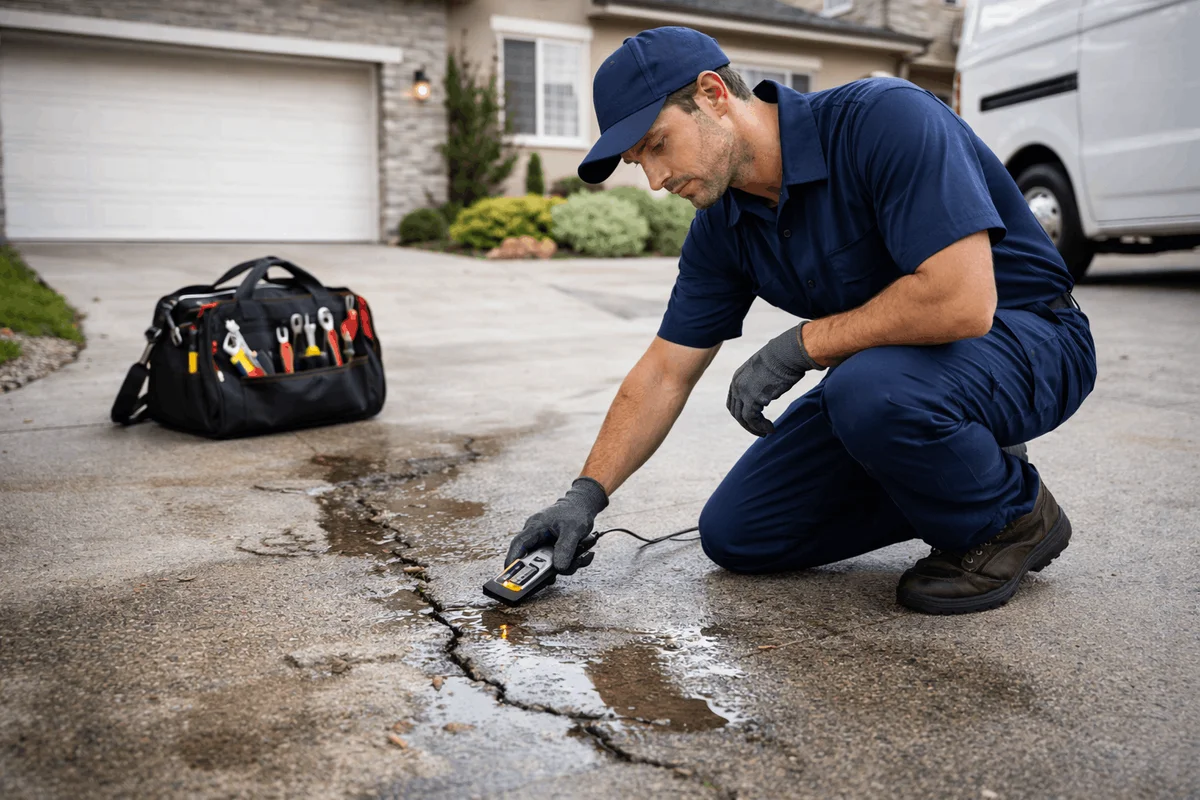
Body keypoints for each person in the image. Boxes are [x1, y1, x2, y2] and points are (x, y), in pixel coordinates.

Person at [504, 27, 1096, 614]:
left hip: (1030, 337)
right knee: (739, 533)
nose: (656, 180)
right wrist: (585, 495)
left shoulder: (884, 119)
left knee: (869, 391)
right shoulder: (721, 225)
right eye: (640, 163)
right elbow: (666, 369)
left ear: (714, 94)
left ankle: (1010, 517)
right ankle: (965, 465)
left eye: (658, 145)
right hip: (896, 380)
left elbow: (961, 301)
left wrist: (803, 344)